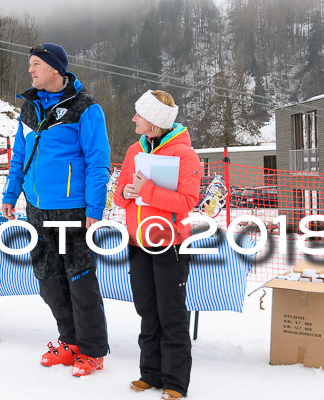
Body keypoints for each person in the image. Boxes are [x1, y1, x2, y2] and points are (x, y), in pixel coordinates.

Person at [1, 43, 111, 377]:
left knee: (79, 280)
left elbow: (97, 162)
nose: (30, 71)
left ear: (54, 69)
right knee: (48, 281)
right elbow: (19, 155)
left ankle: (92, 350)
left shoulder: (86, 108)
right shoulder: (29, 109)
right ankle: (71, 341)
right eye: (30, 65)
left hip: (73, 210)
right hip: (35, 209)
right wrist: (11, 193)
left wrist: (95, 208)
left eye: (35, 65)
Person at [113, 90, 201, 399]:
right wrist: (125, 194)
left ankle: (175, 381)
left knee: (171, 313)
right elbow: (119, 196)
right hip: (138, 242)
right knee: (147, 310)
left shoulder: (184, 155)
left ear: (155, 121)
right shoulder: (133, 150)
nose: (134, 119)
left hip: (169, 245)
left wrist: (147, 191)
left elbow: (187, 202)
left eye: (139, 114)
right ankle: (149, 373)